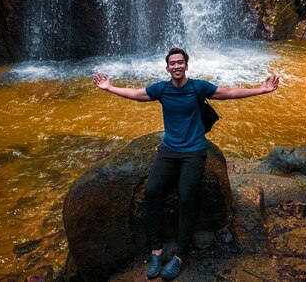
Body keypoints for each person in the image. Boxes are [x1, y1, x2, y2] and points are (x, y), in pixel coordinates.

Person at [93, 47, 280, 280]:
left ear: (186, 66)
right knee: (152, 192)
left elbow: (229, 93)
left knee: (186, 196)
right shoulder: (162, 88)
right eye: (173, 63)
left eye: (180, 62)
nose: (177, 66)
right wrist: (109, 88)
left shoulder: (197, 87)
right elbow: (137, 94)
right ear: (167, 67)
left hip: (193, 151)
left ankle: (180, 254)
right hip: (169, 149)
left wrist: (261, 90)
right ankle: (156, 250)